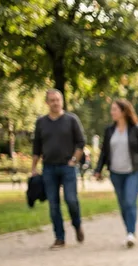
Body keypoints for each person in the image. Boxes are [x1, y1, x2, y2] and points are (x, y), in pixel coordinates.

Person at [93, 99, 138, 248]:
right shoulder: (109, 130)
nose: (112, 112)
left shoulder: (137, 129)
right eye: (112, 109)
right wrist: (98, 170)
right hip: (116, 173)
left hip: (133, 171)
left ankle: (131, 233)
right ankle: (129, 231)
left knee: (129, 201)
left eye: (115, 109)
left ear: (124, 111)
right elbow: (104, 152)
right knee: (122, 204)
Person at [31, 89, 87, 250]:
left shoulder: (71, 120)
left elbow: (81, 142)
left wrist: (74, 160)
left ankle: (77, 224)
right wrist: (33, 168)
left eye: (58, 100)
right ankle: (59, 238)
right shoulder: (41, 122)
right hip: (49, 168)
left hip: (67, 167)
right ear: (47, 103)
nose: (55, 103)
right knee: (53, 205)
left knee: (71, 200)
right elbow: (36, 147)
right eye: (52, 100)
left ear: (61, 101)